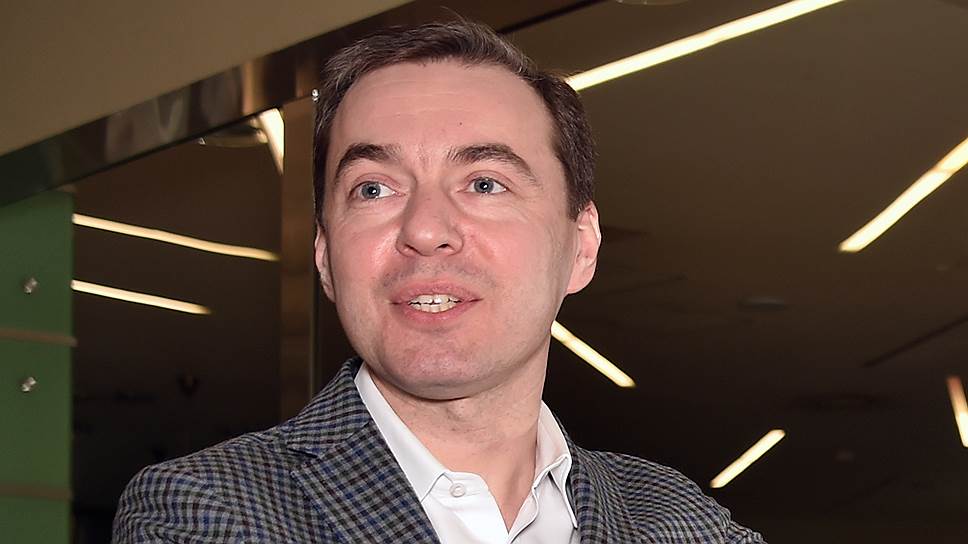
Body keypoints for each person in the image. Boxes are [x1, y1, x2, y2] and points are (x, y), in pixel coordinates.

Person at [113, 20, 766, 544]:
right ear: (325, 257)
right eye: (373, 189)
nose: (425, 230)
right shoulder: (207, 510)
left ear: (582, 246)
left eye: (484, 183)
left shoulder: (681, 521)